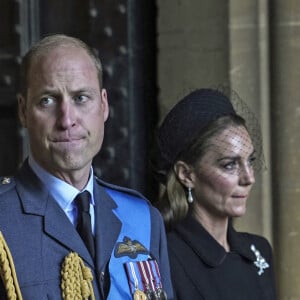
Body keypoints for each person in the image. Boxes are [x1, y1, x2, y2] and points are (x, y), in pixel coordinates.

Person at [0, 34, 173, 300]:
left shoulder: (142, 218)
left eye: (81, 98)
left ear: (104, 105)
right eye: (47, 100)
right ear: (23, 111)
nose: (67, 119)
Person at [151, 88, 277, 300]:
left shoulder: (259, 250)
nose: (249, 178)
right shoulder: (163, 256)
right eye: (229, 165)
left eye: (250, 161)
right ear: (186, 175)